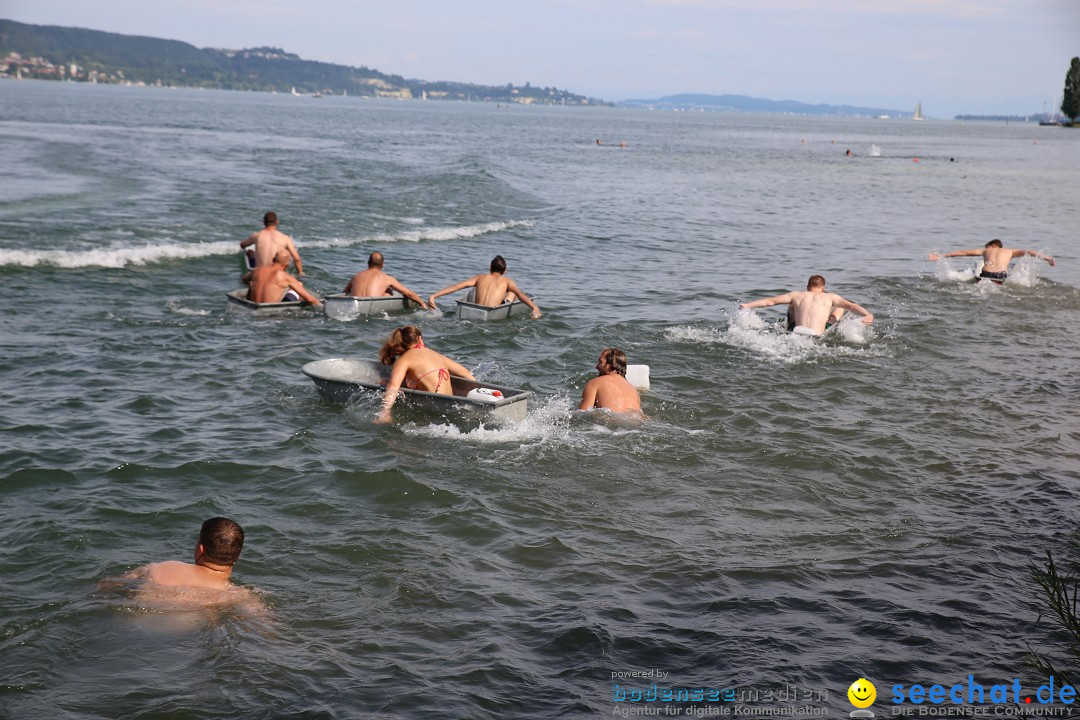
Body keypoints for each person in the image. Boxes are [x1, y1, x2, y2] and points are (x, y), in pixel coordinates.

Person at [375, 325, 476, 423]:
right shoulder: (436, 355)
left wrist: (385, 412)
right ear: (420, 339)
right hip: (451, 408)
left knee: (383, 381)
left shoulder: (403, 360)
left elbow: (393, 387)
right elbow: (465, 373)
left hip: (432, 410)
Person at [124, 518, 248, 592]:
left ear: (200, 549)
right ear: (238, 554)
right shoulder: (234, 594)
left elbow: (109, 585)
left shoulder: (161, 568)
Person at [739, 275, 874, 336]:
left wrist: (748, 305)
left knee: (792, 306)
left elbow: (770, 301)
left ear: (808, 286)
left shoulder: (796, 295)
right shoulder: (830, 296)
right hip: (817, 336)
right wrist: (867, 315)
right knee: (841, 307)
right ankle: (828, 325)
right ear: (823, 287)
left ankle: (790, 326)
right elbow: (852, 306)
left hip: (797, 333)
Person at [427, 255, 541, 319]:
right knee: (514, 292)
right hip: (492, 314)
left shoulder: (479, 278)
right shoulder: (507, 281)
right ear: (505, 271)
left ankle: (504, 301)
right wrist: (534, 308)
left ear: (490, 268)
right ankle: (506, 302)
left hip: (475, 311)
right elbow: (521, 296)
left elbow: (456, 287)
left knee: (474, 291)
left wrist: (434, 296)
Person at [928, 239, 1055, 284]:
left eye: (987, 246)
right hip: (1000, 276)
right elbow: (1031, 252)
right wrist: (1048, 258)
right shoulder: (1010, 251)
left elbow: (962, 252)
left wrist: (941, 256)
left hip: (985, 276)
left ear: (993, 245)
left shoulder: (985, 250)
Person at [344, 252, 430, 309]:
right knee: (388, 291)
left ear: (368, 263)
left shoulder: (356, 276)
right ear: (382, 264)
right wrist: (422, 303)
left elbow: (345, 292)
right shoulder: (386, 278)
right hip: (371, 308)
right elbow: (409, 293)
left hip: (353, 306)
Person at [243, 250, 322, 307]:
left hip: (253, 307)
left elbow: (244, 280)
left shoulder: (257, 270)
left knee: (251, 284)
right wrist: (323, 307)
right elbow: (310, 299)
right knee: (299, 284)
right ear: (286, 266)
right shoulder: (285, 276)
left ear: (273, 260)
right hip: (271, 313)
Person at [239, 211, 304, 275]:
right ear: (277, 222)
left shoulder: (256, 236)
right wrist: (300, 273)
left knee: (250, 252)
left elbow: (242, 245)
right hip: (276, 275)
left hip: (259, 273)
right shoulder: (285, 238)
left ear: (263, 222)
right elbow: (297, 259)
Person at [580, 347, 642, 414]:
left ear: (609, 365)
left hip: (610, 421)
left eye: (600, 362)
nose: (596, 366)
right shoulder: (634, 390)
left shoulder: (595, 383)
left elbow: (582, 414)